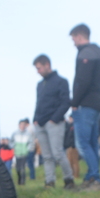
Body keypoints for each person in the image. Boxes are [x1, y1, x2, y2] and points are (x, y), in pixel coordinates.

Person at [68, 23, 100, 190]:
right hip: (95, 103)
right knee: (91, 143)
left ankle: (96, 178)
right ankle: (91, 176)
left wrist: (74, 103)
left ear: (79, 36)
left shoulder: (86, 54)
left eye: (73, 39)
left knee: (83, 144)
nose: (73, 43)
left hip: (85, 104)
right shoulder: (97, 54)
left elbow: (83, 82)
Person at [31, 54, 75, 189]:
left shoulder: (61, 81)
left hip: (54, 123)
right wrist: (35, 119)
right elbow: (38, 103)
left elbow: (66, 102)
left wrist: (54, 119)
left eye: (39, 68)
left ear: (47, 65)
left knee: (58, 153)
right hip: (40, 124)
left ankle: (69, 180)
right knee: (47, 156)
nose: (37, 71)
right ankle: (49, 182)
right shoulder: (40, 85)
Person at [12, 118, 35, 184]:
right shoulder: (15, 133)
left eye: (24, 125)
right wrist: (14, 147)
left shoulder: (28, 134)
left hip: (25, 153)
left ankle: (22, 182)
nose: (22, 126)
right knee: (18, 168)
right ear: (19, 125)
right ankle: (19, 180)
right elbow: (11, 141)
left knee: (22, 167)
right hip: (17, 153)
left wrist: (28, 149)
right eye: (21, 125)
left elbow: (31, 142)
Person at [63, 115, 81, 180]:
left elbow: (74, 137)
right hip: (69, 146)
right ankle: (72, 174)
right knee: (69, 161)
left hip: (73, 146)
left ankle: (76, 175)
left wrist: (73, 145)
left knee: (75, 162)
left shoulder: (74, 126)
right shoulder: (70, 126)